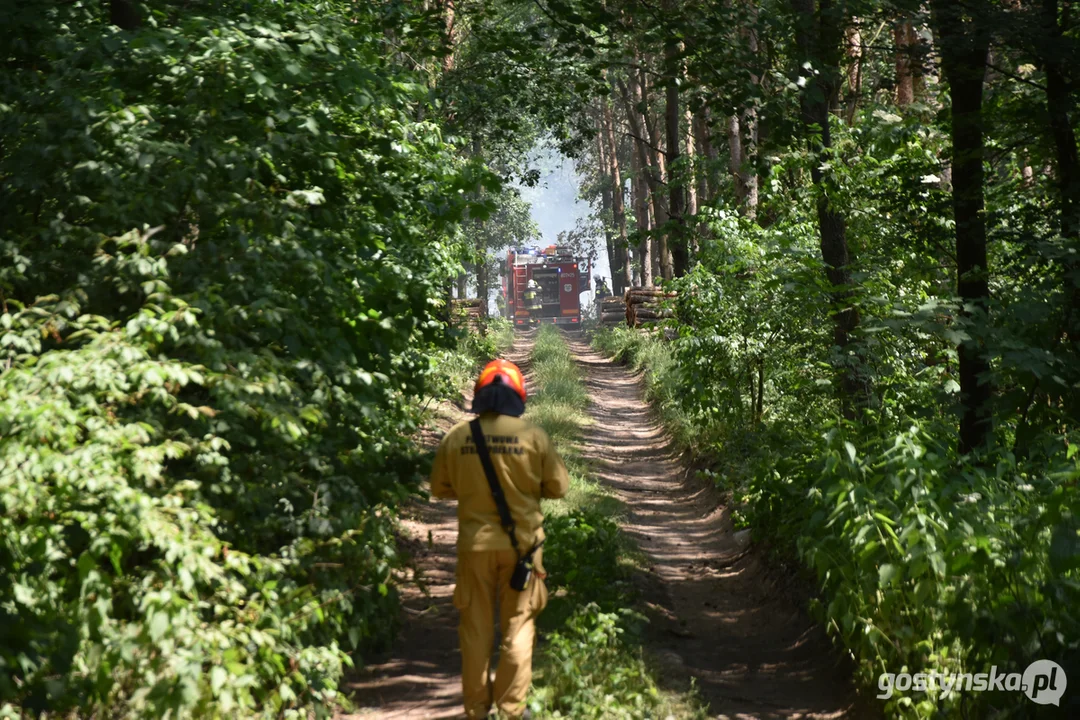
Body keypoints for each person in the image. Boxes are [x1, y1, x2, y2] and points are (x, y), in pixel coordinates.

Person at [430, 360, 569, 720]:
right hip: (522, 550)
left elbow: (440, 487)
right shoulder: (533, 436)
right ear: (518, 397)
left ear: (479, 397)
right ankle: (510, 712)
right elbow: (559, 487)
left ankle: (477, 711)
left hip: (474, 549)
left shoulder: (458, 437)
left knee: (475, 631)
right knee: (519, 627)